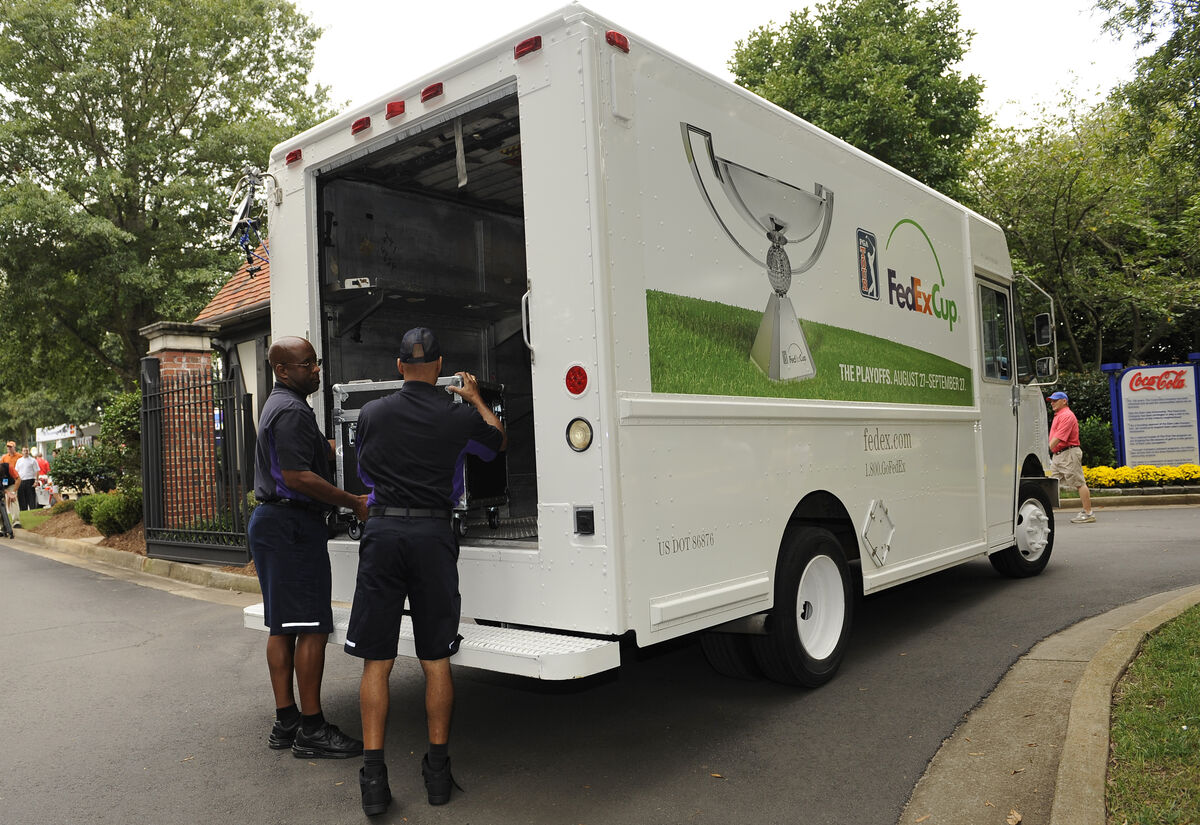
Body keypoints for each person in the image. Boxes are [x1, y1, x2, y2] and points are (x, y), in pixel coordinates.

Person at [344, 328, 506, 816]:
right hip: (433, 538)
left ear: (398, 367)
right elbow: (497, 443)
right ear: (439, 367)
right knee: (436, 659)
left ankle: (374, 779)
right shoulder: (456, 415)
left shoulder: (371, 413)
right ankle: (437, 775)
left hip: (384, 535)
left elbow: (365, 476)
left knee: (378, 661)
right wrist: (476, 398)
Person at [249, 336, 369, 760]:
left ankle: (287, 722)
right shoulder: (293, 411)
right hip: (292, 528)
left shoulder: (278, 404)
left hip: (272, 524)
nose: (316, 370)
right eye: (307, 364)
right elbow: (298, 476)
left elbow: (317, 455)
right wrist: (354, 501)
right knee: (312, 628)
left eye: (316, 363)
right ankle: (313, 729)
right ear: (282, 369)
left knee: (281, 625)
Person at [1048, 390, 1094, 523]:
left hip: (1069, 453)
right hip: (1058, 455)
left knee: (1079, 483)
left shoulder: (1067, 415)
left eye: (1055, 400)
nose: (1052, 403)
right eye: (1051, 401)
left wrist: (1046, 450)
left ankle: (1088, 513)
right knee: (1051, 483)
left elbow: (1059, 438)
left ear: (1064, 401)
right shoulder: (1059, 415)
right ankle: (1045, 512)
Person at [1, 442, 20, 528]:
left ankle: (16, 522)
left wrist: (13, 492)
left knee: (13, 499)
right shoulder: (4, 457)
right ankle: (2, 527)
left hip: (11, 483)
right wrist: (5, 492)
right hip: (1, 486)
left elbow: (18, 479)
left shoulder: (9, 467)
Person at [15, 446, 39, 512]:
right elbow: (16, 472)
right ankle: (23, 512)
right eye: (24, 451)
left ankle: (33, 512)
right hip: (21, 482)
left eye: (27, 451)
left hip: (30, 481)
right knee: (22, 500)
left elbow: (37, 471)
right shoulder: (19, 461)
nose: (26, 452)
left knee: (31, 499)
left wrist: (36, 481)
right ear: (22, 452)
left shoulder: (33, 460)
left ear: (29, 451)